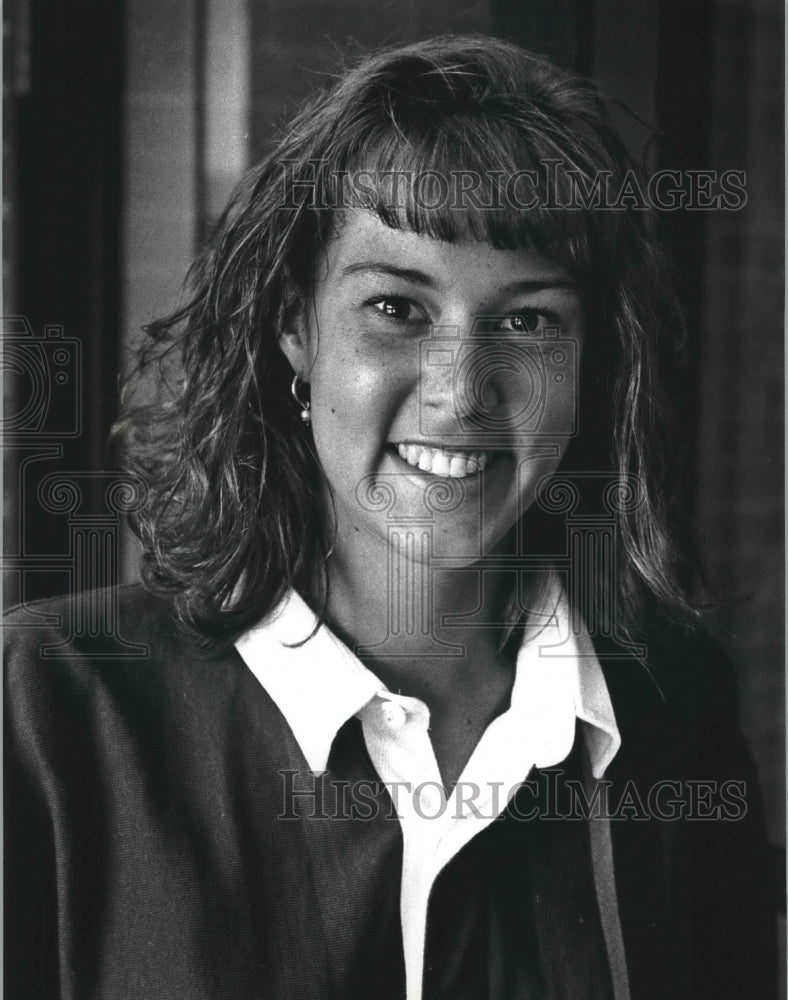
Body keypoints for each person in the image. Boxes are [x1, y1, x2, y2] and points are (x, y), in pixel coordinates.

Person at [4, 34, 777, 1000]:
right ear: (297, 329)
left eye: (528, 320)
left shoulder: (674, 714)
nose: (461, 392)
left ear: (594, 365)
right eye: (396, 308)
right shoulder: (50, 715)